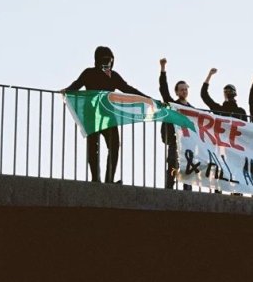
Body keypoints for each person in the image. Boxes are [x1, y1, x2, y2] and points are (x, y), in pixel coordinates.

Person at [61, 46, 148, 183]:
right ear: (97, 60)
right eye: (105, 59)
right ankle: (95, 178)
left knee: (114, 146)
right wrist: (67, 90)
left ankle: (109, 179)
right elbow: (76, 85)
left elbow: (127, 88)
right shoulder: (89, 73)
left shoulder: (113, 75)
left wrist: (146, 98)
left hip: (108, 116)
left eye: (110, 60)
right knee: (93, 147)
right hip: (92, 115)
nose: (108, 62)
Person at [159, 58, 193, 191]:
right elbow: (163, 89)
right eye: (182, 90)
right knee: (173, 165)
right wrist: (163, 69)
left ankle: (187, 190)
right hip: (175, 141)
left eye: (186, 89)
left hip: (188, 143)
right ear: (177, 92)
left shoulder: (192, 109)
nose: (184, 91)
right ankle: (169, 188)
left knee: (188, 166)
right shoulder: (173, 105)